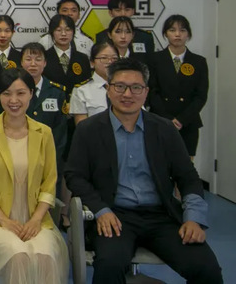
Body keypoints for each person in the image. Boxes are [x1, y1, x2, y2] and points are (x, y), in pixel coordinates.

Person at [65, 58, 222, 284]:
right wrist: (101, 210)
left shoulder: (164, 129)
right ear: (108, 89)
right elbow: (75, 176)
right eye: (120, 86)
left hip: (161, 216)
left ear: (146, 92)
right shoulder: (89, 130)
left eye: (136, 87)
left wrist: (194, 219)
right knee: (109, 266)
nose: (127, 94)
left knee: (206, 267)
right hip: (114, 216)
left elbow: (188, 177)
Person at [0, 68, 68, 283]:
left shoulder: (44, 133)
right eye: (6, 93)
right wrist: (5, 221)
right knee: (18, 255)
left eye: (21, 93)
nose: (13, 100)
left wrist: (36, 220)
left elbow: (49, 182)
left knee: (45, 256)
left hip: (35, 219)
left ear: (31, 93)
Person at [148, 15, 209, 159]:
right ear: (165, 33)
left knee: (185, 166)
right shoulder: (154, 59)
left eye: (182, 30)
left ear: (188, 34)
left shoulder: (198, 62)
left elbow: (200, 96)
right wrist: (168, 119)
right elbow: (151, 92)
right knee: (159, 164)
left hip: (188, 123)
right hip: (160, 121)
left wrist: (182, 119)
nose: (177, 34)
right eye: (172, 30)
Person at [19, 42, 69, 161]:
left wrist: (51, 158)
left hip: (49, 156)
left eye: (38, 59)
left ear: (45, 63)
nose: (33, 64)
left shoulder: (57, 92)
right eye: (28, 59)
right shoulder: (13, 91)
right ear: (21, 62)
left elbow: (60, 131)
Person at [69, 41, 118, 125]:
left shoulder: (127, 88)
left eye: (114, 58)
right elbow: (82, 126)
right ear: (92, 63)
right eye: (104, 58)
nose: (110, 62)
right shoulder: (81, 90)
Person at [43, 14, 91, 95]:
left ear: (73, 32)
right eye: (58, 30)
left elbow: (87, 85)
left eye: (68, 30)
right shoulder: (44, 57)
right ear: (52, 33)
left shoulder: (82, 58)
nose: (63, 34)